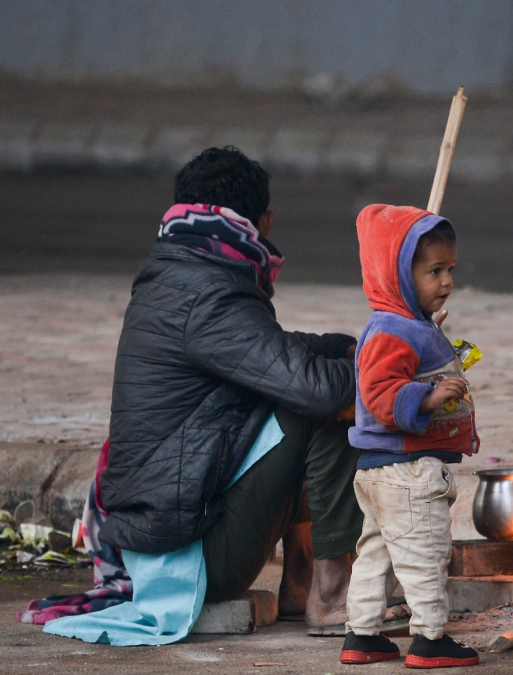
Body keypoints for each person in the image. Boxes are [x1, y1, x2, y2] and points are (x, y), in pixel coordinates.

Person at [45, 146, 404, 645]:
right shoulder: (210, 292)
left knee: (302, 386)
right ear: (265, 222)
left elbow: (270, 349)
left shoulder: (178, 272)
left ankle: (300, 585)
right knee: (321, 407)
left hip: (168, 539)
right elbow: (315, 390)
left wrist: (347, 347)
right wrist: (390, 373)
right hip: (191, 561)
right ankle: (332, 593)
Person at [339, 205, 480, 668]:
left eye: (450, 269)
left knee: (376, 556)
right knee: (426, 554)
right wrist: (429, 397)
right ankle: (429, 639)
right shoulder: (393, 330)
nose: (447, 281)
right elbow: (380, 394)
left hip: (381, 471)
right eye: (434, 271)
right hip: (407, 471)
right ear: (397, 275)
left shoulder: (410, 324)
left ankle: (362, 635)